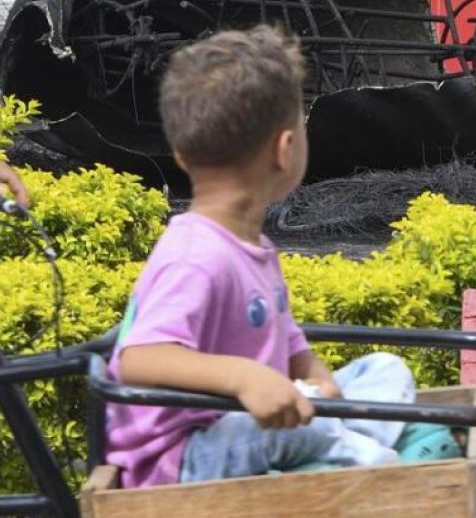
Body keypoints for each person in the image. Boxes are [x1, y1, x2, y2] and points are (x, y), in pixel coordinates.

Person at [105, 26, 416, 488]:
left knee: (386, 372)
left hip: (245, 425)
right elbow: (139, 359)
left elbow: (285, 337)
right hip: (186, 453)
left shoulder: (252, 246)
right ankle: (365, 460)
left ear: (181, 154)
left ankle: (344, 445)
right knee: (315, 424)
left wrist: (313, 373)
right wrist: (244, 377)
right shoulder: (196, 255)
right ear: (285, 149)